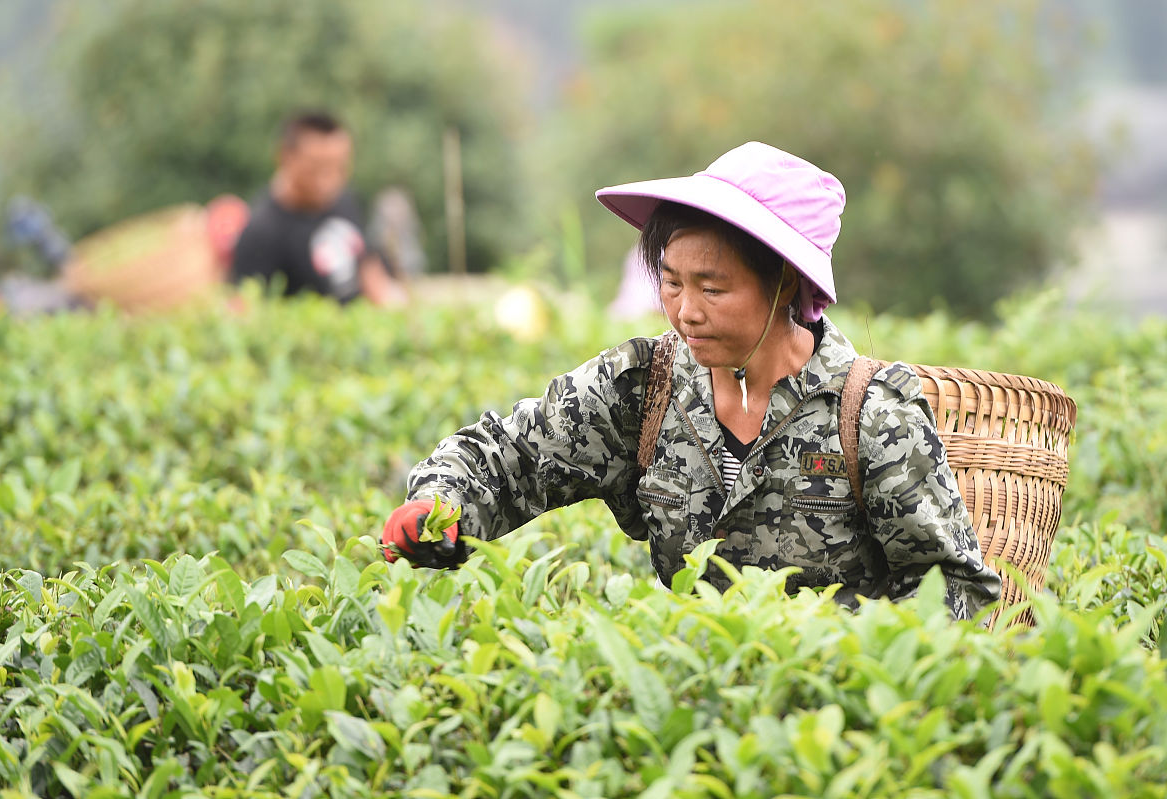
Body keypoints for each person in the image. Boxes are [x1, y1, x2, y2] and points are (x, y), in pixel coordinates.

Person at [383, 142, 1001, 620]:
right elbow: (509, 454)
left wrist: (851, 660)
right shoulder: (644, 387)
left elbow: (954, 588)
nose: (686, 311)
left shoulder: (868, 415)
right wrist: (441, 504)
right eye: (672, 282)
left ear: (786, 283)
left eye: (713, 287)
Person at [230, 111, 405, 305]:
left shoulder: (346, 200)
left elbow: (366, 257)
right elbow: (248, 308)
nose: (329, 181)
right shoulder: (261, 231)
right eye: (317, 168)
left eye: (339, 167)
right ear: (285, 156)